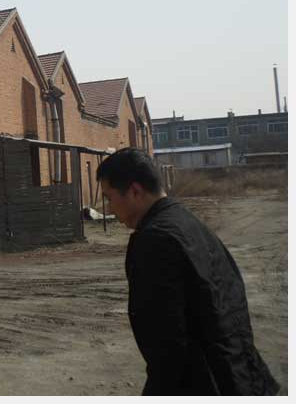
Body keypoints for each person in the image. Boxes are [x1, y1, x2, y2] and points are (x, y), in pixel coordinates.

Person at [96, 147, 279, 396]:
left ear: (135, 191)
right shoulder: (188, 222)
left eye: (109, 198)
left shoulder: (155, 241)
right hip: (243, 376)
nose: (109, 208)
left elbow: (168, 346)